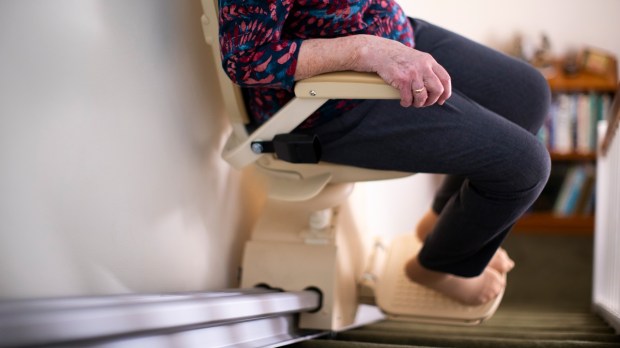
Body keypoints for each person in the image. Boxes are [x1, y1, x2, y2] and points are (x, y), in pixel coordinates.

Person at [218, 0, 551, 305]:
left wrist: (384, 46)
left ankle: (438, 227)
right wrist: (364, 50)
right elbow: (246, 60)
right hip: (329, 102)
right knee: (525, 167)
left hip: (390, 33)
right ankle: (435, 267)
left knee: (528, 94)